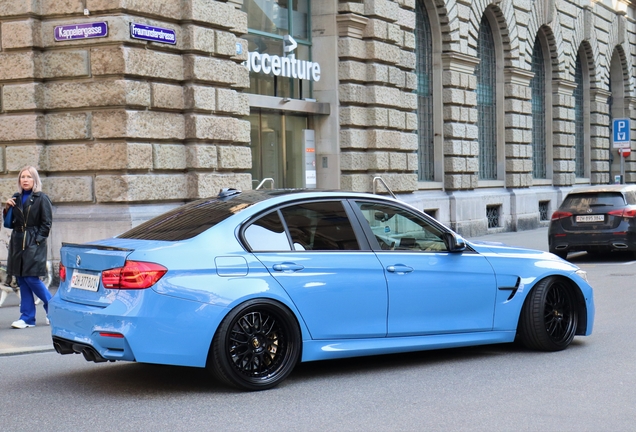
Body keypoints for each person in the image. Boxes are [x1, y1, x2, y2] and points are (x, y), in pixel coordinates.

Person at [3, 166, 53, 329]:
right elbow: (9, 224)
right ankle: (27, 318)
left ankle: (53, 308)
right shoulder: (15, 198)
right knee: (22, 280)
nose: (25, 180)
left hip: (33, 242)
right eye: (22, 177)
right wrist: (7, 209)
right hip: (17, 242)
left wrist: (37, 241)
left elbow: (46, 223)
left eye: (28, 177)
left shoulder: (41, 198)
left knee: (31, 278)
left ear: (34, 180)